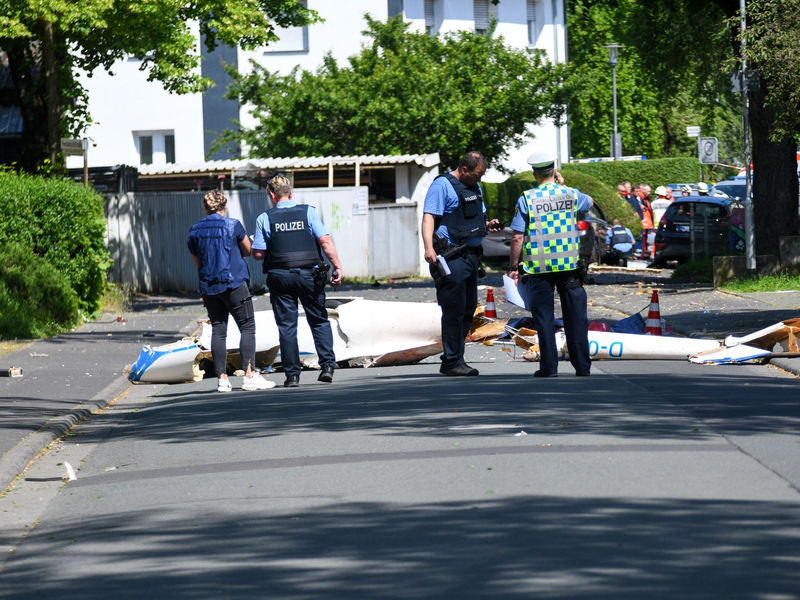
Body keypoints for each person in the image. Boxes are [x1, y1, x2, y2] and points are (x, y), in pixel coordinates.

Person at [252, 175, 343, 388]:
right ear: (291, 193)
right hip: (309, 276)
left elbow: (258, 254)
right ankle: (328, 366)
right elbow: (325, 241)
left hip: (280, 276)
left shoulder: (265, 218)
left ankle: (292, 375)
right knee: (319, 319)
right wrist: (337, 266)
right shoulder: (308, 212)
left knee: (287, 326)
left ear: (272, 195)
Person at [507, 151, 592, 378]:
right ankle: (582, 368)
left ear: (535, 174)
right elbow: (589, 202)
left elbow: (517, 237)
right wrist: (565, 186)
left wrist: (513, 267)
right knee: (575, 318)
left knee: (544, 319)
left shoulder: (526, 198)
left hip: (539, 269)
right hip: (570, 267)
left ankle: (549, 368)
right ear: (555, 172)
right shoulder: (571, 194)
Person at [422, 151, 503, 376]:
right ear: (464, 169)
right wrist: (428, 248)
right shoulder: (442, 185)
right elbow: (429, 216)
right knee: (454, 310)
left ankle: (451, 358)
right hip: (450, 257)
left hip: (471, 257)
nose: (480, 180)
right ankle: (454, 361)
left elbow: (473, 218)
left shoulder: (473, 187)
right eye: (477, 175)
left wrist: (488, 224)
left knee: (467, 311)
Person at [187, 190, 273, 393]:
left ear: (205, 207)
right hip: (234, 284)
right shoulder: (233, 225)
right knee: (247, 327)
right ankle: (250, 375)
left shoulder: (194, 230)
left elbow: (196, 261)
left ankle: (222, 379)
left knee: (218, 330)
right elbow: (248, 250)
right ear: (224, 206)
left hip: (209, 286)